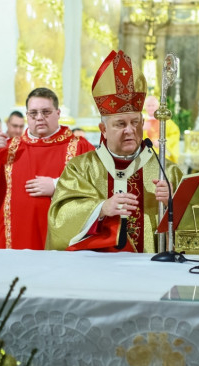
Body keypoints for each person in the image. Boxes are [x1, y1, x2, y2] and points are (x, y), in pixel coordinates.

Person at [47, 50, 182, 253]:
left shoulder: (166, 171)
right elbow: (59, 219)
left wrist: (172, 205)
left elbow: (195, 226)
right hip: (97, 268)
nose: (130, 130)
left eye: (135, 122)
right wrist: (100, 209)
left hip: (150, 267)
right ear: (103, 129)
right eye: (120, 124)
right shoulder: (80, 169)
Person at [0, 88, 94, 250]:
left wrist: (57, 186)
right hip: (14, 242)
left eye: (46, 112)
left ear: (58, 113)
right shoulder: (8, 149)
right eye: (33, 113)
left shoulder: (80, 147)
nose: (39, 117)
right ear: (27, 115)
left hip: (61, 245)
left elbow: (98, 188)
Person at [142, 95, 180, 163]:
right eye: (148, 106)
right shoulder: (142, 122)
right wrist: (141, 129)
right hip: (148, 155)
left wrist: (162, 142)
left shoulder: (166, 121)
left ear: (157, 106)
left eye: (153, 105)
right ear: (145, 107)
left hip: (163, 153)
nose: (151, 108)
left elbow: (175, 135)